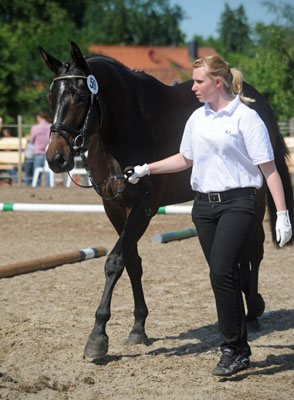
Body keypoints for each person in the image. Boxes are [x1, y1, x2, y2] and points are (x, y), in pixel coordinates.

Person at [127, 55, 292, 377]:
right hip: (203, 207)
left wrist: (282, 214)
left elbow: (270, 169)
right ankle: (238, 347)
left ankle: (233, 349)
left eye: (199, 82)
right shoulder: (197, 119)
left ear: (218, 82)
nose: (193, 87)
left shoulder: (246, 118)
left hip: (240, 202)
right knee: (222, 277)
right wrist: (147, 168)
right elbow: (185, 158)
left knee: (221, 271)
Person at [30, 110, 51, 186]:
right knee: (49, 173)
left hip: (38, 153)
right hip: (49, 153)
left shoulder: (35, 128)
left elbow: (32, 140)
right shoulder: (51, 127)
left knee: (37, 174)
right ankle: (49, 187)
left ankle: (37, 188)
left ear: (39, 117)